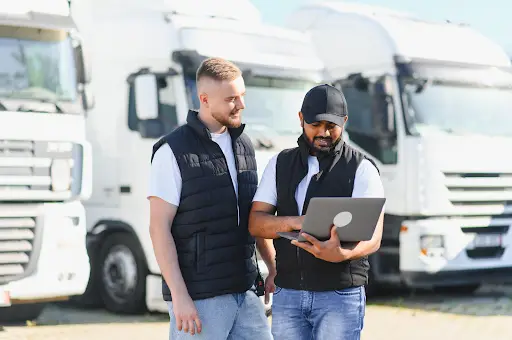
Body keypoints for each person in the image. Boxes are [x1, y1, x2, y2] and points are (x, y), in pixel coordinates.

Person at [147, 57, 273, 340]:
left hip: (246, 290)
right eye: (231, 98)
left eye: (242, 96)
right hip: (200, 297)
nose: (241, 105)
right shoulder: (172, 152)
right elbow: (158, 228)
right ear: (204, 99)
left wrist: (272, 265)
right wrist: (179, 297)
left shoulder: (244, 145)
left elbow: (254, 215)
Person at [249, 84, 385, 340]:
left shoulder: (362, 168)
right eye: (316, 125)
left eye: (331, 126)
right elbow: (256, 223)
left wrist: (343, 254)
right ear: (301, 119)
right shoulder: (279, 164)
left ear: (344, 121)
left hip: (340, 297)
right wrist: (294, 222)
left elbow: (374, 236)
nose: (323, 132)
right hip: (288, 294)